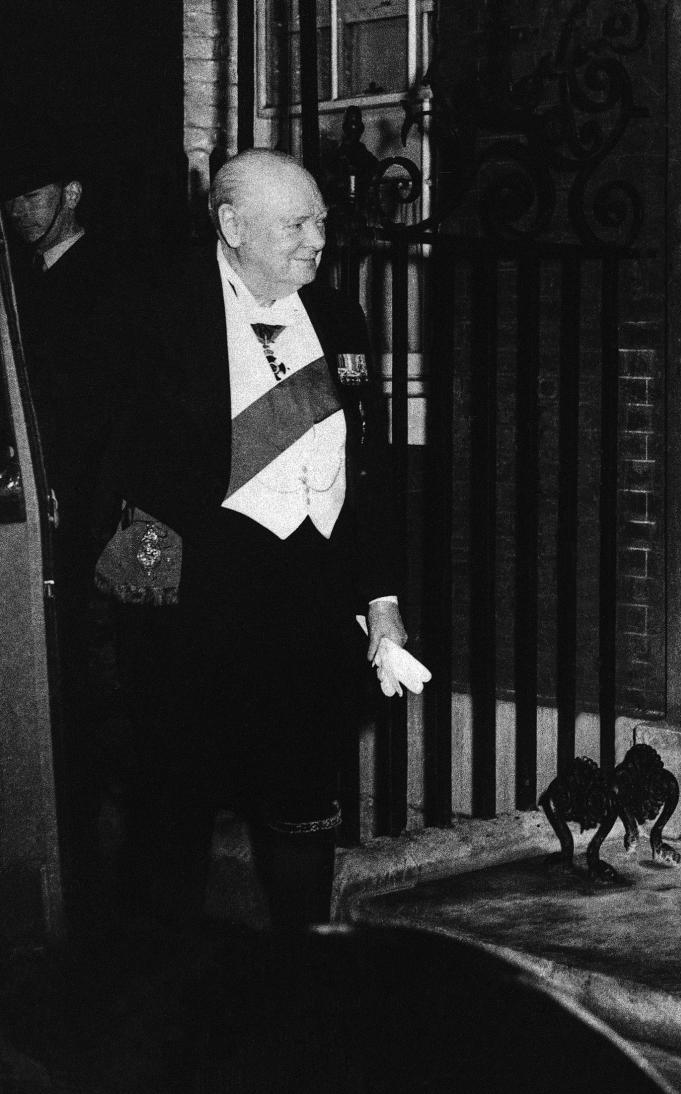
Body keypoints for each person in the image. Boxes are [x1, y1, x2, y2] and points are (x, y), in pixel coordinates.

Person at [100, 148, 409, 929]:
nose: (317, 240)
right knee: (174, 814)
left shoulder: (339, 316)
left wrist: (382, 600)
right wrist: (143, 617)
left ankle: (305, 979)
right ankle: (161, 1002)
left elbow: (361, 472)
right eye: (296, 225)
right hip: (196, 617)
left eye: (321, 224)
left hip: (306, 615)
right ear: (231, 225)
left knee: (304, 803)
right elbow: (122, 475)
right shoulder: (154, 312)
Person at [1, 146, 133, 921]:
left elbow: (111, 412)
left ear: (72, 194)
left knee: (94, 681)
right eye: (11, 197)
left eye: (33, 192)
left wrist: (80, 497)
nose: (19, 208)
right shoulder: (25, 283)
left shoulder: (109, 280)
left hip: (86, 516)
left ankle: (103, 867)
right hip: (43, 517)